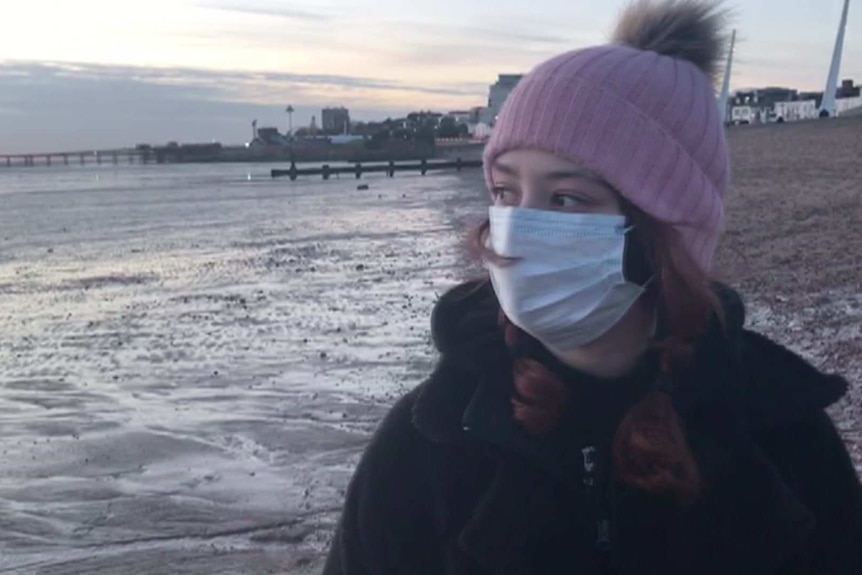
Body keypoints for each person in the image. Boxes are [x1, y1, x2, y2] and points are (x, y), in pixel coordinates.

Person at [322, 1, 862, 573]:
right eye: (505, 194)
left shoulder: (781, 440)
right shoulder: (431, 441)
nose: (517, 232)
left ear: (665, 231)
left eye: (566, 199)